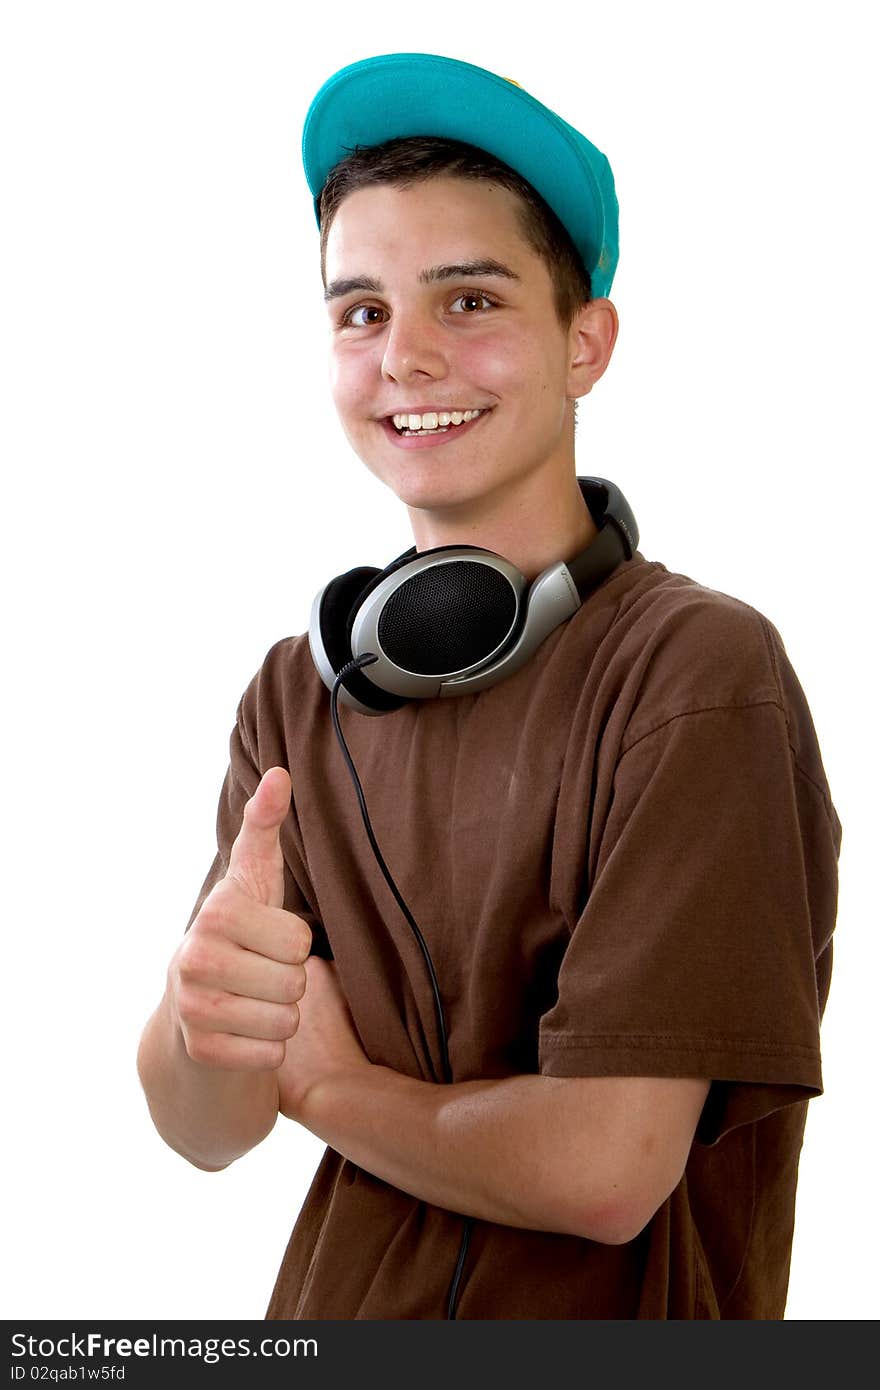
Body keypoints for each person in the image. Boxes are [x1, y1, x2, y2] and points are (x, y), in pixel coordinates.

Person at [136, 53, 842, 1320]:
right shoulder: (295, 693)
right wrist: (203, 1019)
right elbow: (208, 1128)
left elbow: (606, 1168)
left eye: (467, 301)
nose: (404, 356)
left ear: (586, 343)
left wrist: (339, 1091)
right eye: (360, 312)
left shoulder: (695, 673)